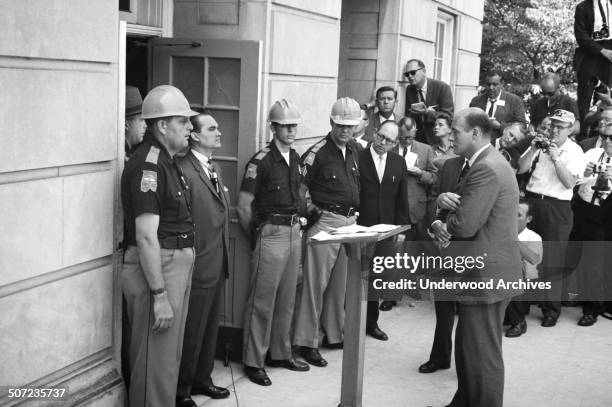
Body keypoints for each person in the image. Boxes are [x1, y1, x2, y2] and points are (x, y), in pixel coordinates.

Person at [430, 107, 522, 407]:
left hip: (486, 276)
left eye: (455, 131)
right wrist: (444, 205)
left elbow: (466, 224)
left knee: (482, 353)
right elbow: (466, 206)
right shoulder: (483, 162)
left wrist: (444, 224)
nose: (449, 135)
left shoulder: (486, 167)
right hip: (483, 273)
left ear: (476, 133)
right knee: (470, 348)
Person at [121, 85, 198, 407]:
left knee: (166, 360)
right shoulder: (149, 165)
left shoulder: (166, 160)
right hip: (159, 267)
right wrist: (160, 296)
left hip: (172, 262)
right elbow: (146, 236)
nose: (191, 128)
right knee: (155, 361)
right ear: (163, 125)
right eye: (184, 121)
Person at [236, 99, 310, 386]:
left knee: (287, 299)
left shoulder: (296, 158)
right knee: (262, 302)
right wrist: (257, 238)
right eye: (285, 126)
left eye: (294, 125)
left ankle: (280, 352)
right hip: (271, 233)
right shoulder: (261, 161)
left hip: (294, 234)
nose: (291, 130)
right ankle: (254, 361)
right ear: (274, 127)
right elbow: (243, 207)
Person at [294, 97, 361, 367]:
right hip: (326, 222)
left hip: (349, 223)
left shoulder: (355, 149)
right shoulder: (317, 152)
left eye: (350, 126)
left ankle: (334, 334)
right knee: (315, 286)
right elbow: (298, 190)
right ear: (331, 122)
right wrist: (312, 215)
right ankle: (307, 342)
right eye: (340, 125)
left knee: (338, 285)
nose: (345, 130)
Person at [176, 112, 230, 406]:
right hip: (197, 263)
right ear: (194, 135)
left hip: (217, 260)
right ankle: (182, 389)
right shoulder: (183, 168)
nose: (218, 132)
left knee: (210, 327)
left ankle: (202, 378)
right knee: (192, 329)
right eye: (212, 128)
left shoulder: (214, 167)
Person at [518, 109, 586, 327]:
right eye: (553, 125)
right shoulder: (541, 143)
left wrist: (556, 159)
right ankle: (522, 305)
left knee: (552, 258)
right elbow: (521, 168)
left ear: (570, 129)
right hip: (532, 201)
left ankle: (551, 310)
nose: (554, 130)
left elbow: (569, 183)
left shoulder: (575, 151)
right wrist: (533, 149)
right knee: (525, 252)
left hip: (557, 205)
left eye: (560, 126)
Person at [378, 116, 437, 312]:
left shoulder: (426, 150)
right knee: (393, 254)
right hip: (391, 209)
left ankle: (405, 288)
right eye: (403, 138)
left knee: (409, 255)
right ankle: (391, 295)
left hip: (415, 210)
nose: (407, 141)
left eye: (411, 138)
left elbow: (435, 178)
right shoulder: (389, 147)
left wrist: (420, 173)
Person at [358, 120, 409, 339]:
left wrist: (401, 229)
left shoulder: (398, 162)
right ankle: (350, 324)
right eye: (380, 136)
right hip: (359, 228)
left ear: (395, 143)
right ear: (374, 133)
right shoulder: (357, 158)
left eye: (388, 140)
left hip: (386, 230)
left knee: (375, 277)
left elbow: (401, 198)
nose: (382, 142)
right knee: (355, 276)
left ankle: (371, 323)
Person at [417, 155, 464, 374]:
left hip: (474, 249)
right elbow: (432, 198)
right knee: (443, 307)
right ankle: (440, 357)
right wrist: (436, 221)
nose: (453, 138)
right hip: (444, 247)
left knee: (470, 314)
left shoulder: (491, 165)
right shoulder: (450, 165)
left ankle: (469, 365)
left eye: (457, 132)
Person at [571, 107, 612, 326]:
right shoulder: (591, 154)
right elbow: (574, 182)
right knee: (591, 259)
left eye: (611, 138)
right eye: (605, 137)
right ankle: (590, 307)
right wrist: (586, 175)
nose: (607, 141)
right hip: (590, 211)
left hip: (609, 210)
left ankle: (601, 303)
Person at [504, 200, 543, 338]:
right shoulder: (500, 232)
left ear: (529, 219)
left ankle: (519, 322)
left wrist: (512, 240)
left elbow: (532, 264)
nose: (513, 218)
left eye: (518, 215)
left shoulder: (534, 237)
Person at [574, 0, 612, 137]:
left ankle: (605, 134)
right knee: (584, 99)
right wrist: (603, 51)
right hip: (590, 55)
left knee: (607, 95)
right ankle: (582, 136)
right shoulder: (583, 7)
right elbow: (581, 36)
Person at [403, 59, 454, 145]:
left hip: (437, 141)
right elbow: (408, 115)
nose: (410, 76)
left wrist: (427, 113)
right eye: (407, 74)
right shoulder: (409, 89)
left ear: (423, 71)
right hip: (417, 141)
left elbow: (448, 117)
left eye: (413, 72)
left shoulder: (442, 87)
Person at [469, 71, 527, 143]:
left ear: (501, 84)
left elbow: (522, 126)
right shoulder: (476, 101)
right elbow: (469, 122)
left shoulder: (514, 101)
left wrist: (500, 126)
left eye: (495, 84)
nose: (491, 88)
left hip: (503, 146)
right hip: (478, 144)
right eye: (488, 84)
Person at [125, 85, 147, 160]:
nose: (145, 126)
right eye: (141, 120)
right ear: (126, 124)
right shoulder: (122, 156)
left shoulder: (128, 153)